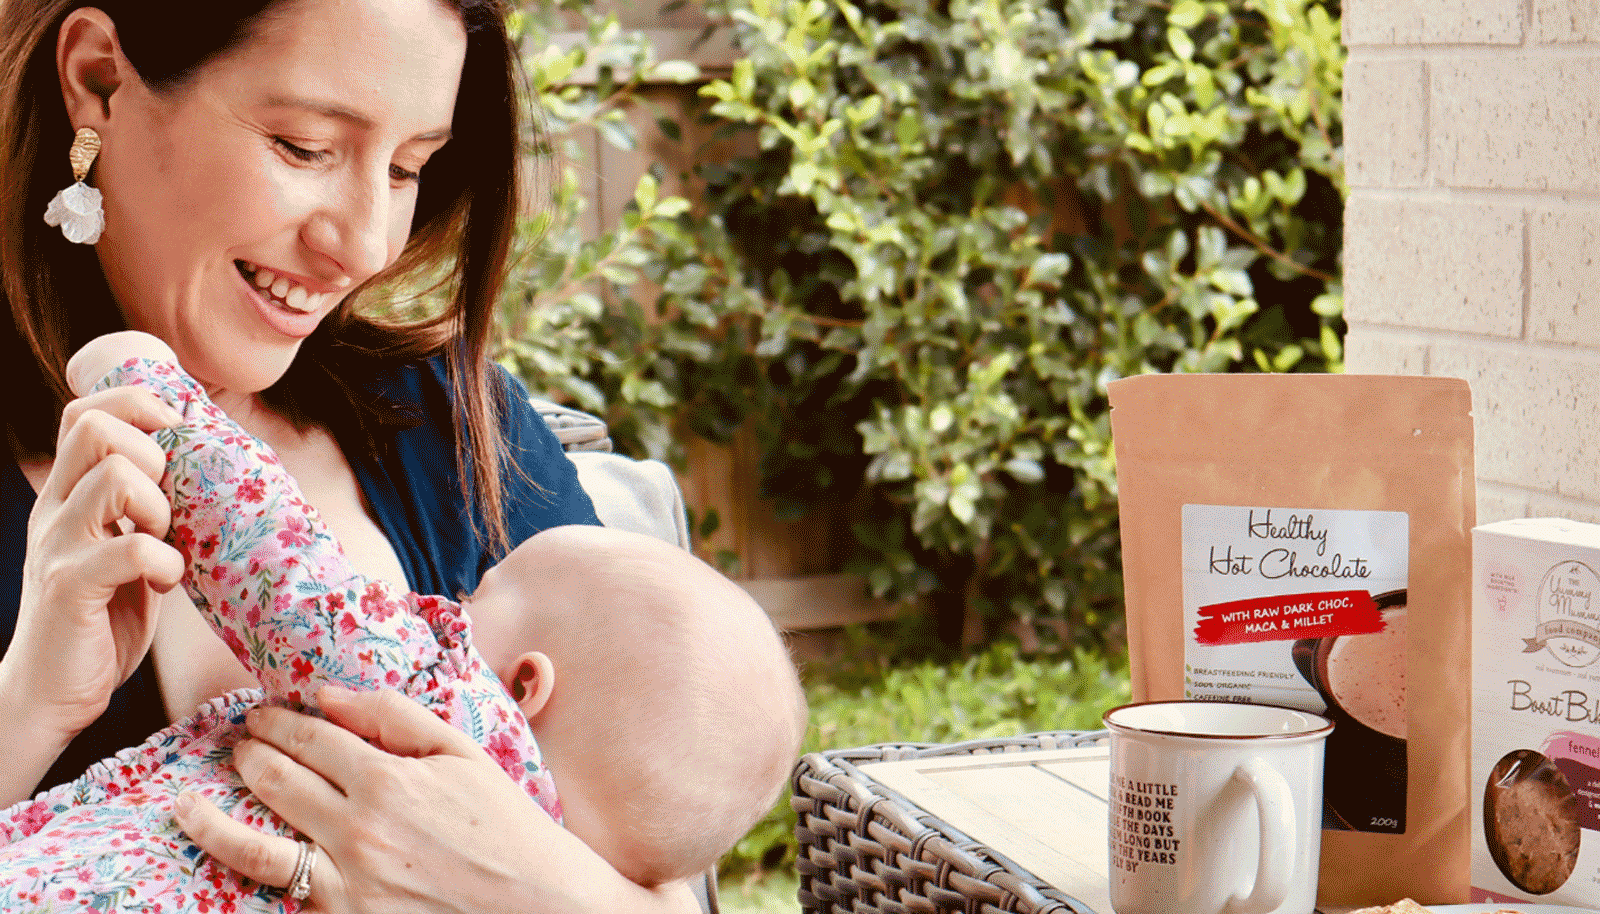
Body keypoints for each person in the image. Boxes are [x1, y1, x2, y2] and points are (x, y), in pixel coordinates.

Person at [0, 1, 773, 909]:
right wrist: (30, 705)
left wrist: (522, 885)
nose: (365, 245)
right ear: (99, 80)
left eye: (409, 167)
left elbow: (669, 877)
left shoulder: (448, 428)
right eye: (304, 146)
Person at [0, 332, 802, 908]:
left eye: (482, 589)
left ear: (525, 684)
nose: (446, 602)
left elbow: (267, 553)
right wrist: (29, 704)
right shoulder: (564, 811)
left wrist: (139, 383)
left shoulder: (417, 697)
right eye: (304, 145)